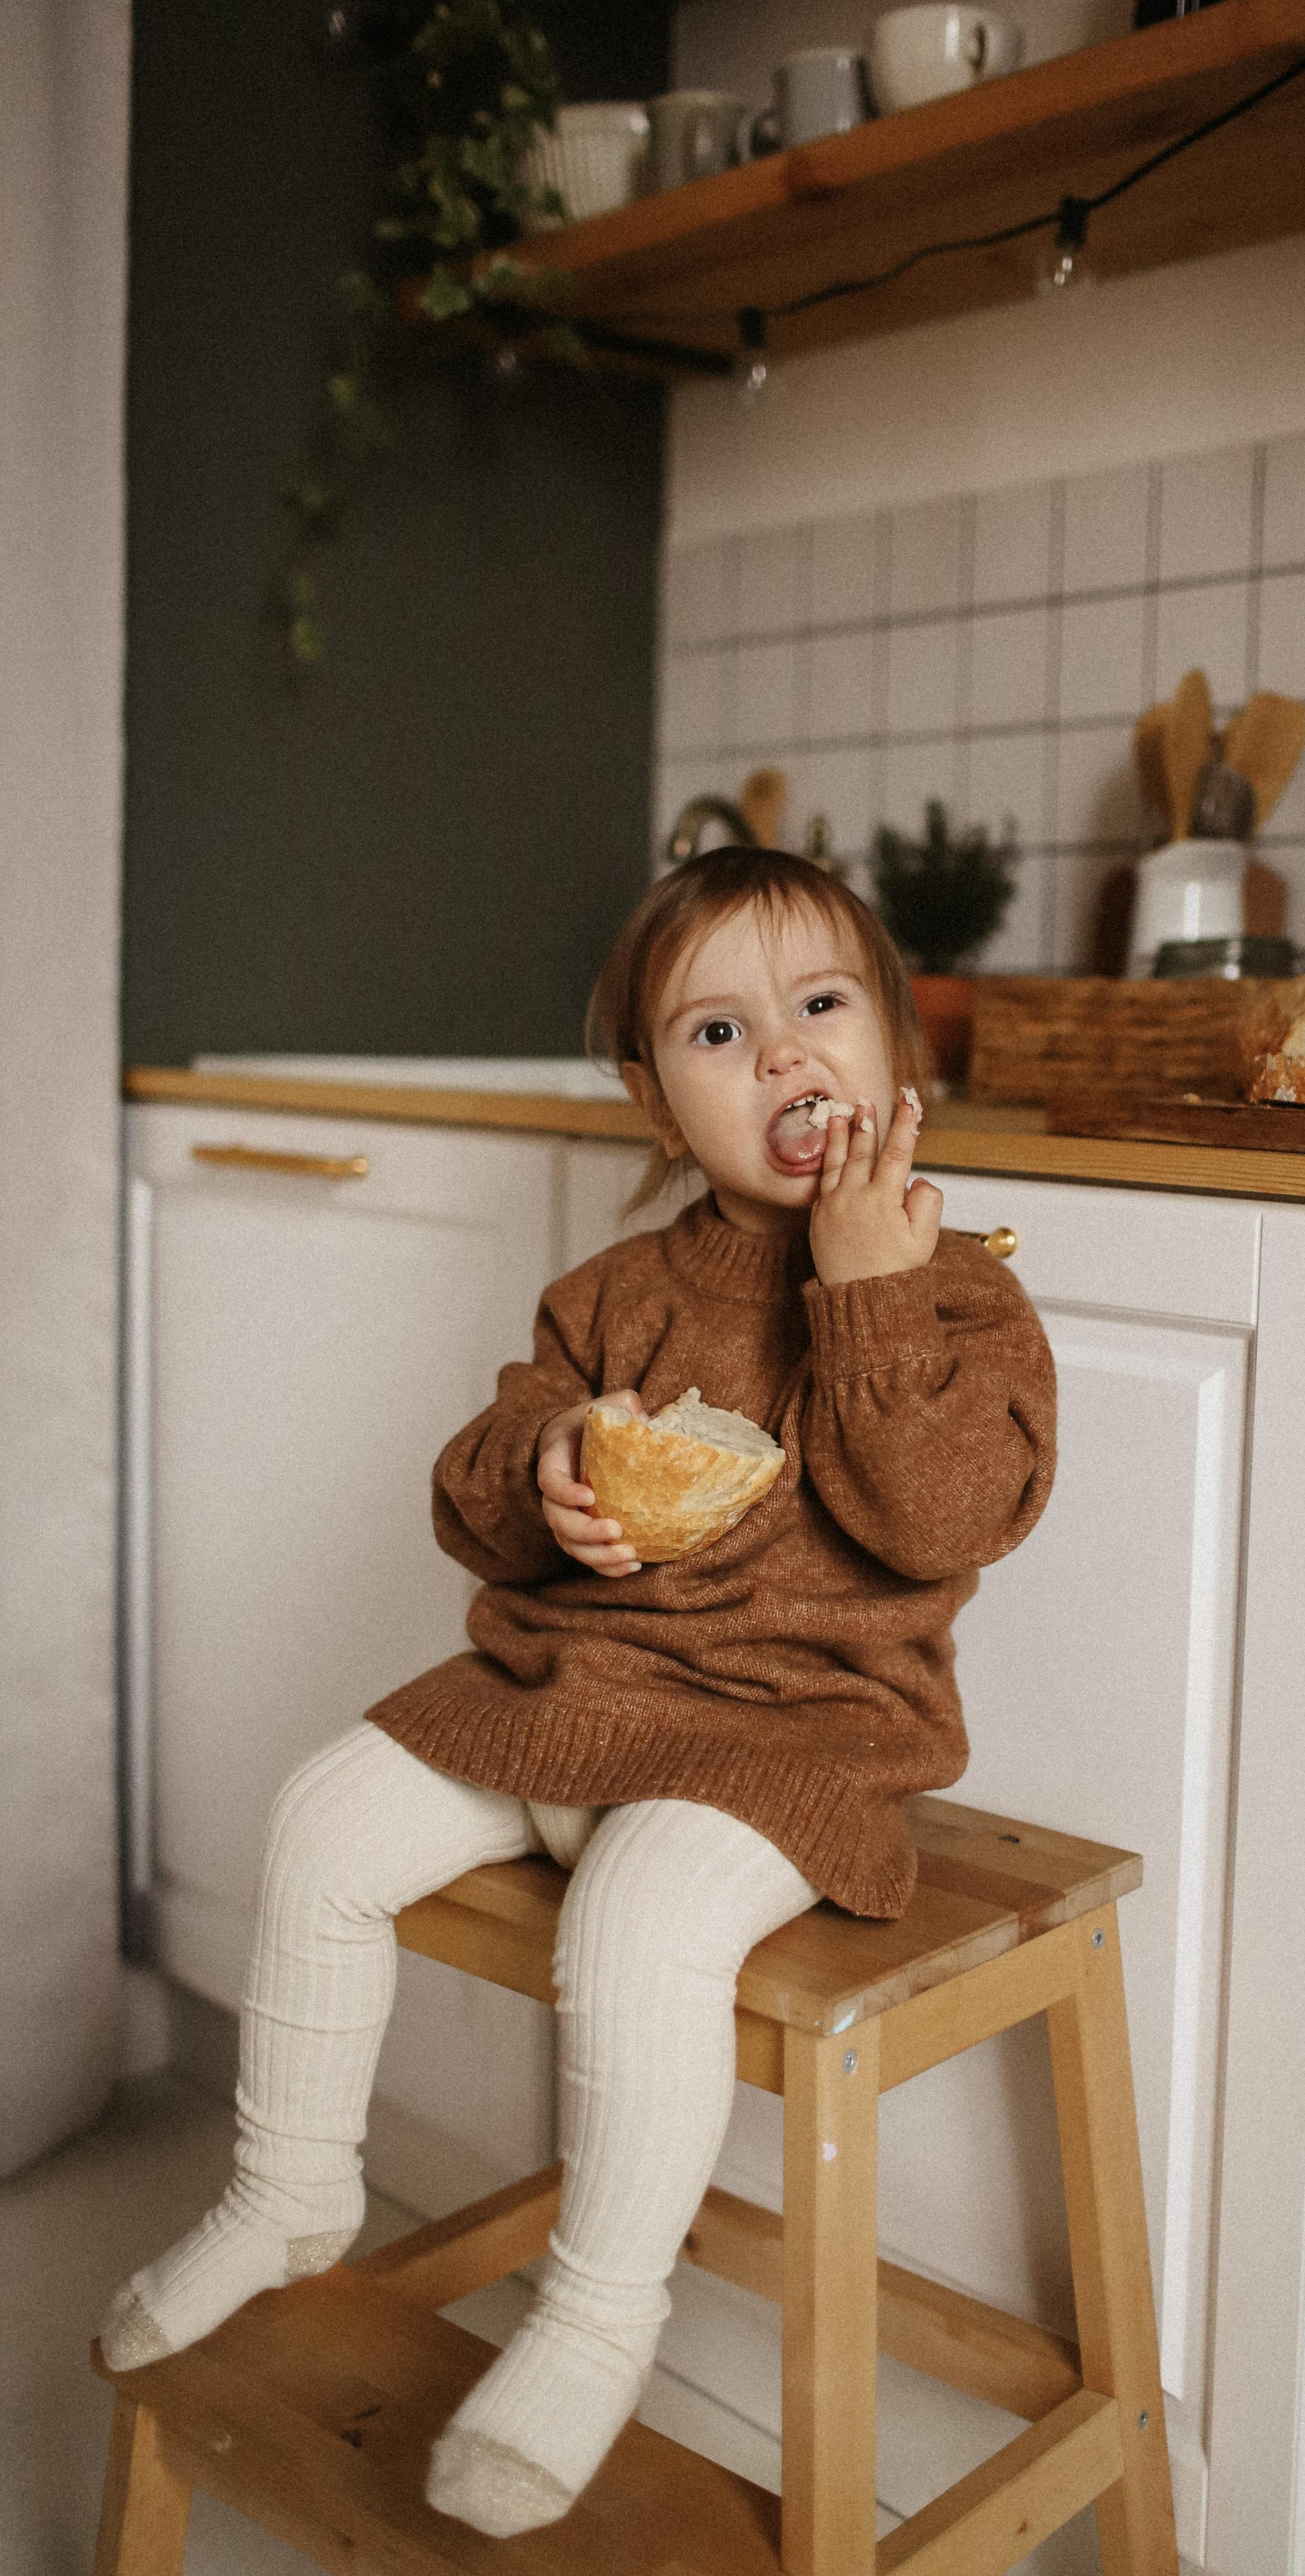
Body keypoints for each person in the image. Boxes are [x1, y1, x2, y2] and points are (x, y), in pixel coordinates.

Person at [100, 847, 1056, 2536]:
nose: (780, 1056)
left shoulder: (960, 1292)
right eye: (715, 1031)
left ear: (900, 1050)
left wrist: (864, 1283)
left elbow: (936, 1518)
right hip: (573, 1695)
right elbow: (471, 1481)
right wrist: (538, 1465)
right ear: (649, 1096)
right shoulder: (617, 1294)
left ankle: (598, 2314)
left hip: (792, 1740)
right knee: (319, 1816)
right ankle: (289, 2185)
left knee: (633, 1921)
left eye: (819, 1007)